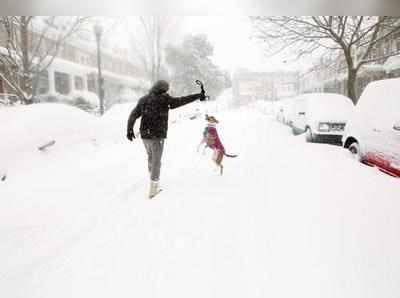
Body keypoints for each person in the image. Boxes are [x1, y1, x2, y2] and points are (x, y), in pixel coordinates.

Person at [126, 80, 205, 198]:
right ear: (163, 89)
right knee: (156, 160)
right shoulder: (164, 99)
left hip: (145, 136)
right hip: (157, 136)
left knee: (151, 157)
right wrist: (198, 95)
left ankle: (152, 177)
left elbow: (133, 115)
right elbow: (182, 100)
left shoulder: (144, 99)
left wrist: (129, 129)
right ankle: (153, 188)